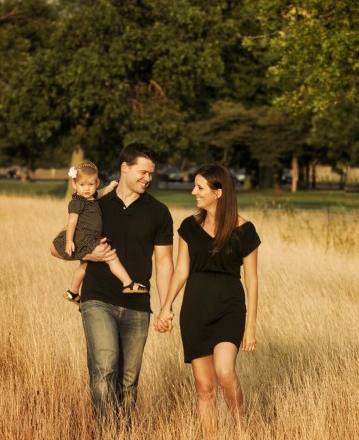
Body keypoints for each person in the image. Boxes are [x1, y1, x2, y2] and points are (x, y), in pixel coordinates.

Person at [155, 164, 260, 437]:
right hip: (195, 311)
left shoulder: (245, 231)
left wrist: (250, 326)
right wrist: (166, 307)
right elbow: (181, 270)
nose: (194, 192)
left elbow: (252, 281)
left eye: (200, 187)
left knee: (225, 371)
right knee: (204, 388)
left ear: (218, 192)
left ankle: (241, 430)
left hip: (229, 310)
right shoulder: (189, 227)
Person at [79, 143, 174, 426]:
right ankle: (105, 431)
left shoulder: (159, 212)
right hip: (98, 298)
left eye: (151, 174)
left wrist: (166, 306)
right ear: (124, 167)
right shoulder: (97, 205)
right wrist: (91, 254)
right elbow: (59, 246)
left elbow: (164, 263)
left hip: (138, 304)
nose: (148, 178)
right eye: (143, 172)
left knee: (129, 382)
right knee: (105, 369)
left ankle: (124, 431)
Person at [50, 160, 149, 305]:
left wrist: (111, 186)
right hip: (85, 238)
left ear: (97, 183)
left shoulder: (91, 197)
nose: (86, 188)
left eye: (90, 185)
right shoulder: (77, 202)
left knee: (84, 266)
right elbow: (71, 223)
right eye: (82, 185)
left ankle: (73, 292)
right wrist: (69, 240)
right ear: (74, 184)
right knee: (111, 257)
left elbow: (101, 193)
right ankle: (128, 283)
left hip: (90, 238)